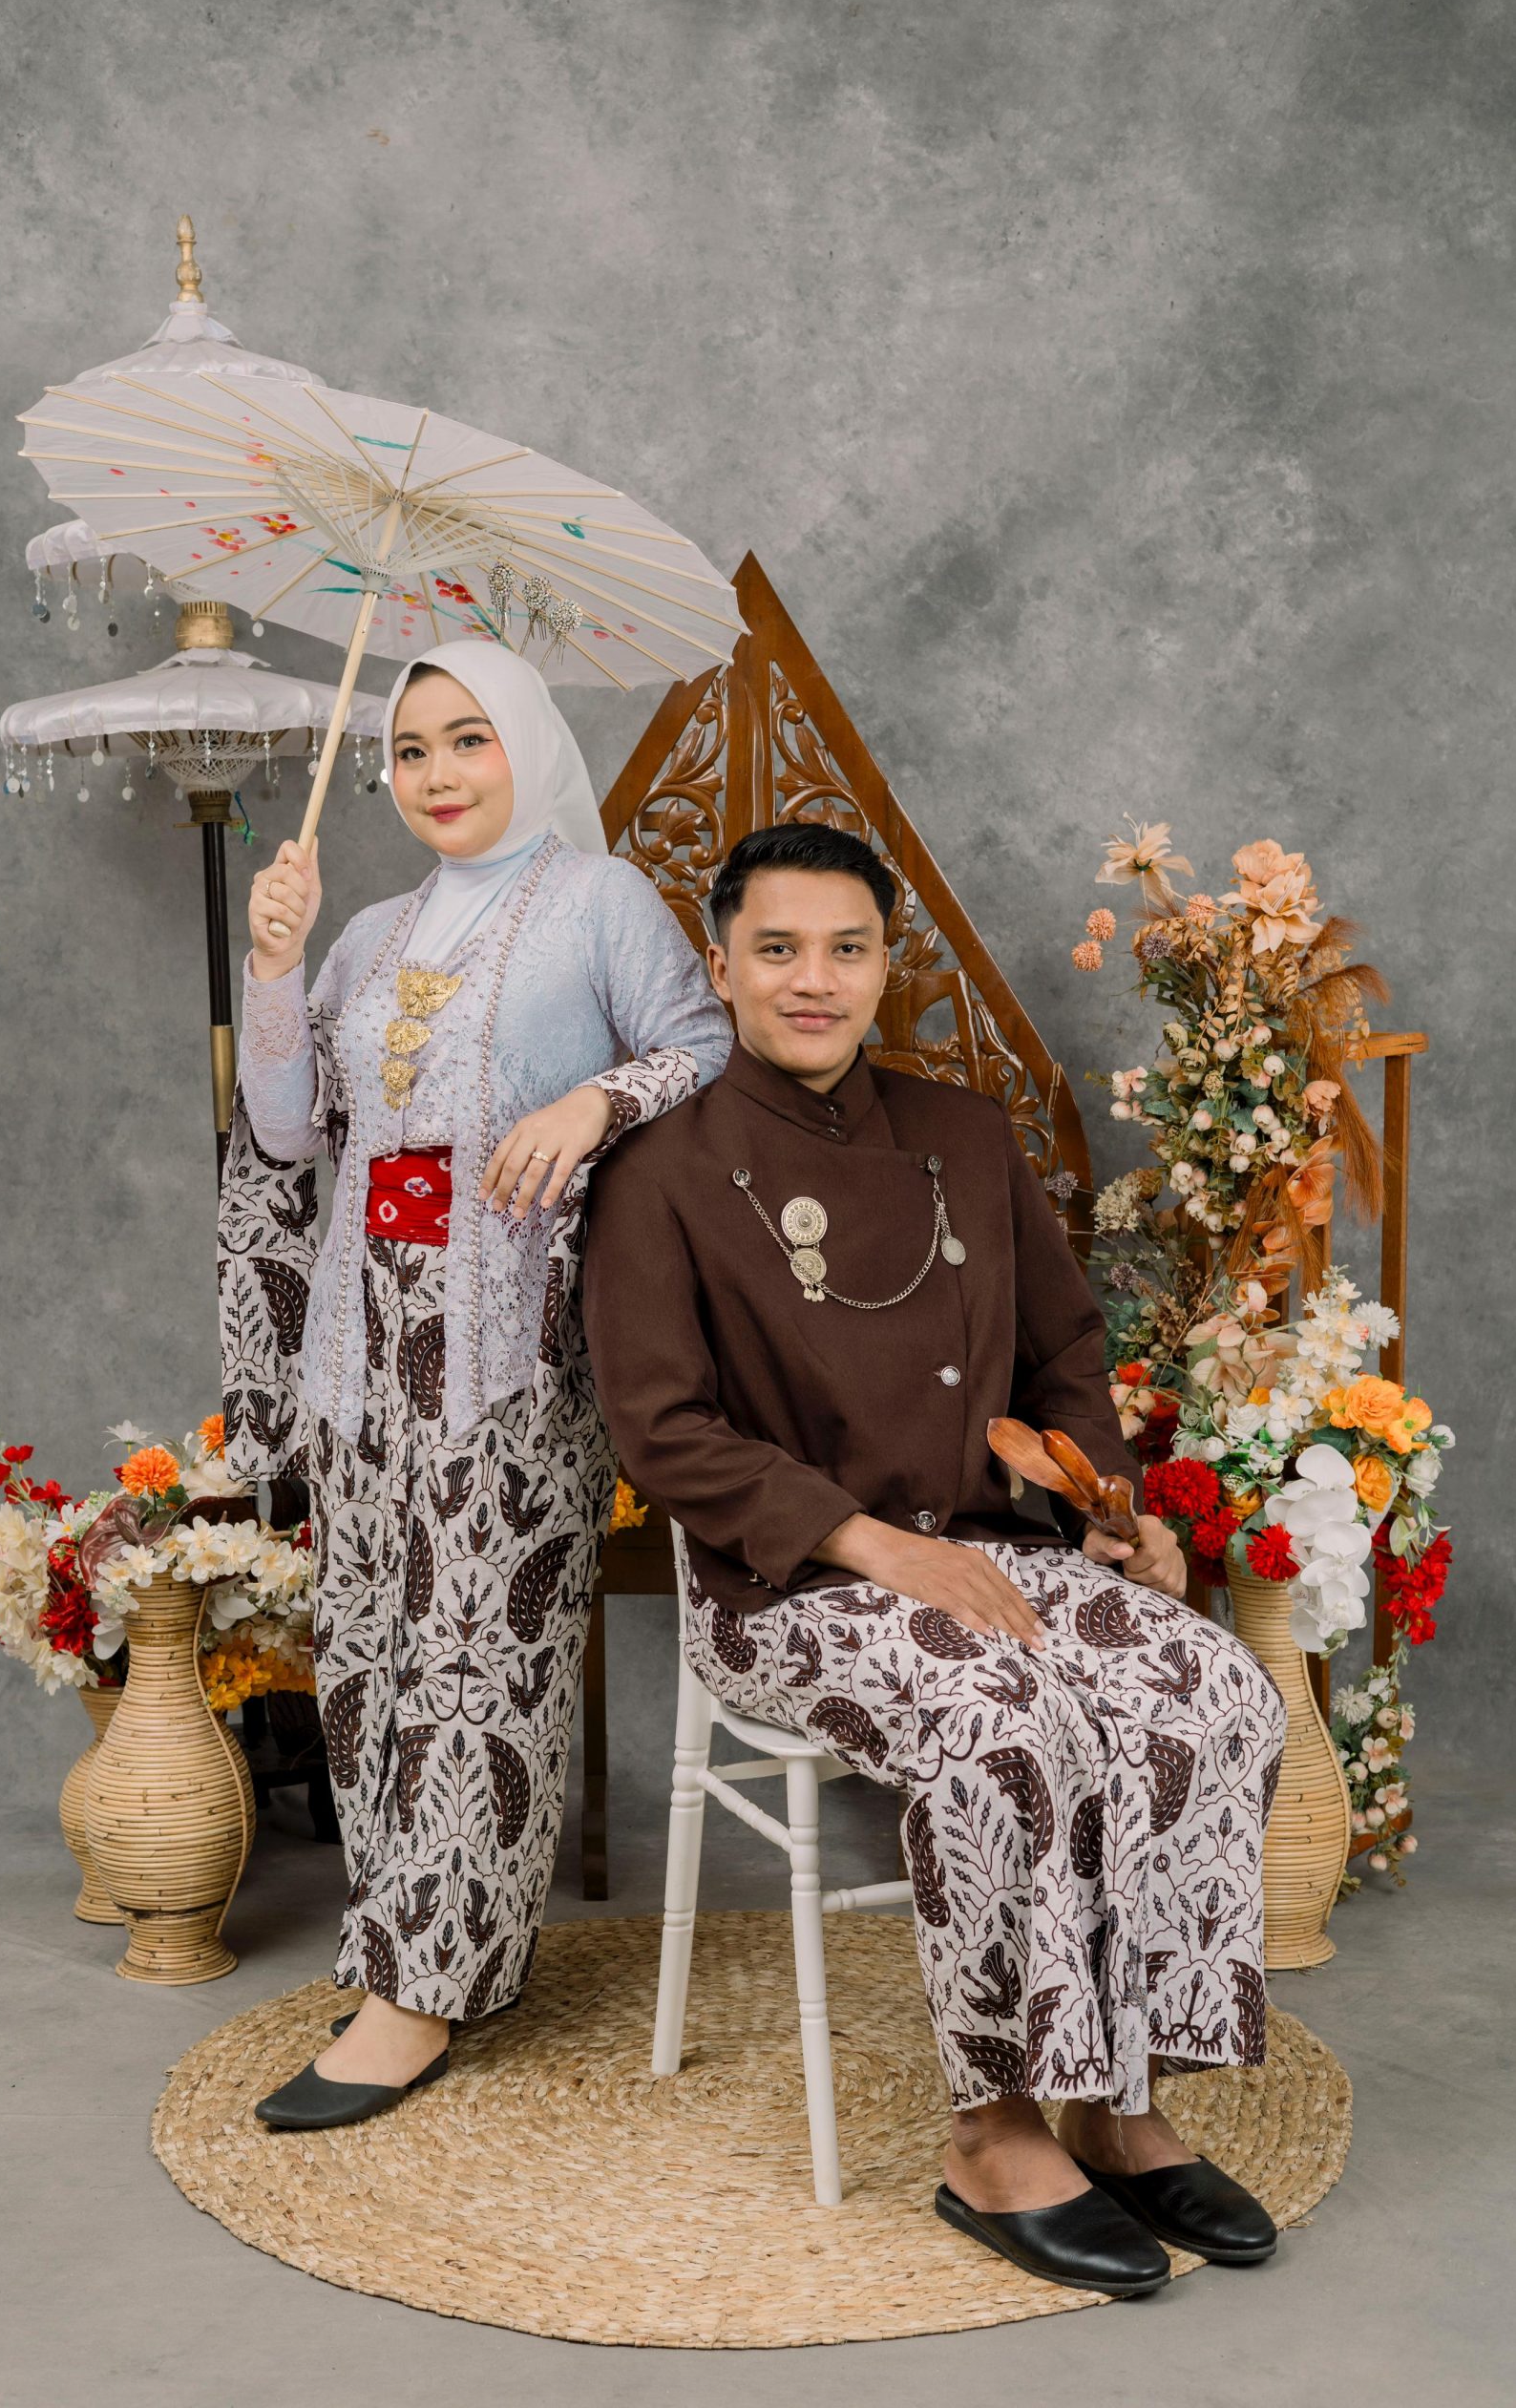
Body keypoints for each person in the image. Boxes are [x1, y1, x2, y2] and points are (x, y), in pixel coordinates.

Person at [582, 821, 1286, 2297]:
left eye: (846, 949)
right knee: (1003, 1723)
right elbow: (661, 1431)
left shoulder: (964, 1135)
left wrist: (1103, 1502)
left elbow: (1065, 1350)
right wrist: (876, 1548)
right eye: (778, 949)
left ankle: (1118, 2098)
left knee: (1213, 1689)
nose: (814, 980)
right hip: (792, 1584)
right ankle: (995, 2128)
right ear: (721, 966)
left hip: (1000, 1545)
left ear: (885, 965)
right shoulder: (659, 1172)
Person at [218, 639, 731, 2132]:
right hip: (360, 1344)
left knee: (478, 1661)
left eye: (467, 738)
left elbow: (703, 1047)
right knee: (366, 1655)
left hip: (514, 1343)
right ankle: (404, 1942)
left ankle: (422, 1996)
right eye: (410, 748)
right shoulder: (370, 933)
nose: (436, 773)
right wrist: (274, 967)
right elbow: (293, 1130)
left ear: (525, 742)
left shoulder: (597, 900)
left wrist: (591, 1102)